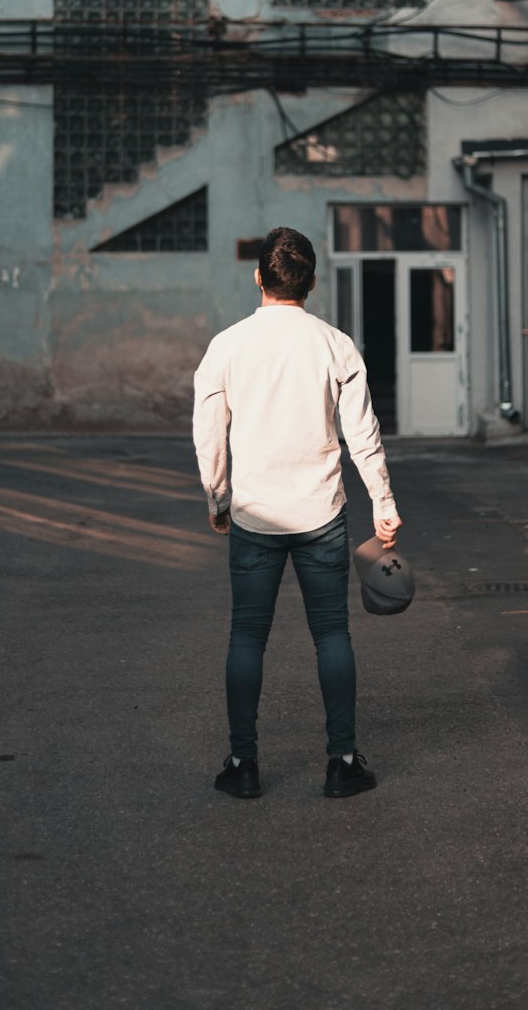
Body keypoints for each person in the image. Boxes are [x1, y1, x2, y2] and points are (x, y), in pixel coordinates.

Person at [192, 225, 401, 800]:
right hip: (320, 515)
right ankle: (342, 763)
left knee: (246, 638)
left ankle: (243, 765)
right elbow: (364, 435)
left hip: (255, 515)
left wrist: (218, 498)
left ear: (258, 278)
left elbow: (209, 432)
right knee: (331, 634)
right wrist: (383, 503)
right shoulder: (334, 344)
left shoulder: (227, 346)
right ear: (310, 284)